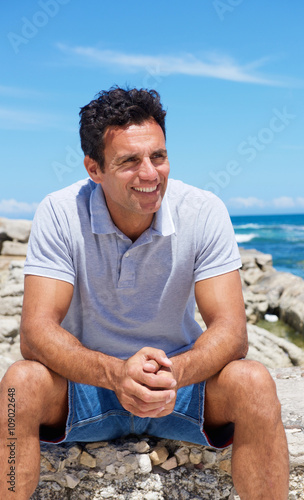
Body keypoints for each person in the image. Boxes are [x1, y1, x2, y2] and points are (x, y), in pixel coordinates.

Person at [0, 86, 289, 499]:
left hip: (180, 388)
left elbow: (231, 330)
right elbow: (35, 332)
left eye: (159, 156)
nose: (151, 174)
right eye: (129, 161)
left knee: (254, 381)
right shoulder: (60, 211)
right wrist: (115, 375)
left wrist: (176, 373)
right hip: (88, 390)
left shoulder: (203, 211)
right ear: (94, 168)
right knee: (16, 389)